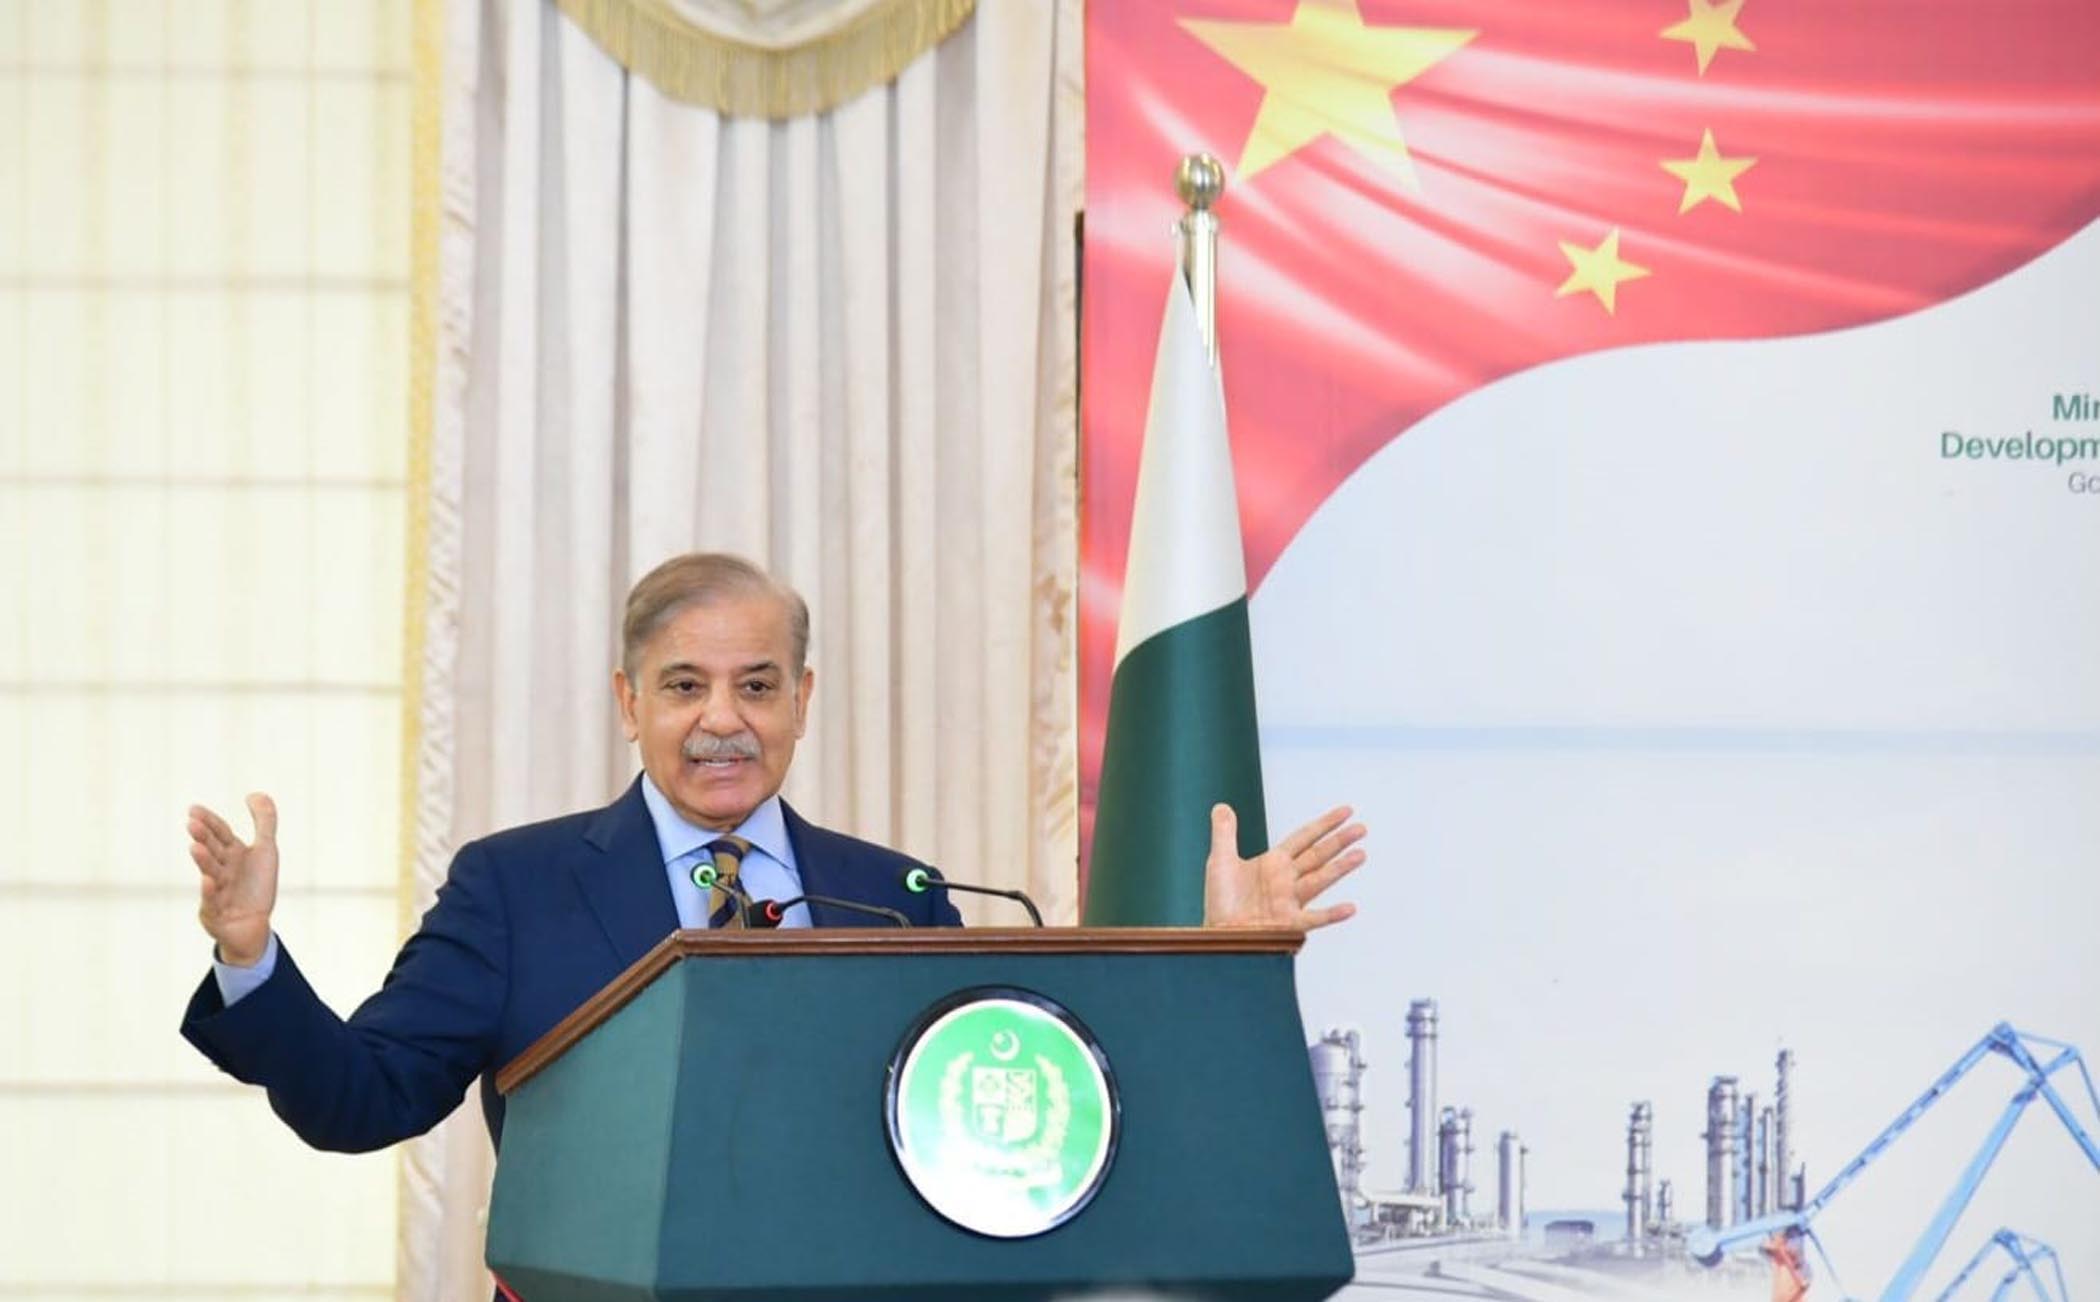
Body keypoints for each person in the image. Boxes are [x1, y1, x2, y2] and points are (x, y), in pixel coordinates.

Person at [182, 552, 1366, 1153]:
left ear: (802, 699)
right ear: (628, 702)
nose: (722, 720)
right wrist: (250, 956)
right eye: (683, 687)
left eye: (756, 686)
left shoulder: (896, 895)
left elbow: (1020, 1111)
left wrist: (1221, 960)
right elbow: (359, 1101)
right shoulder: (516, 887)